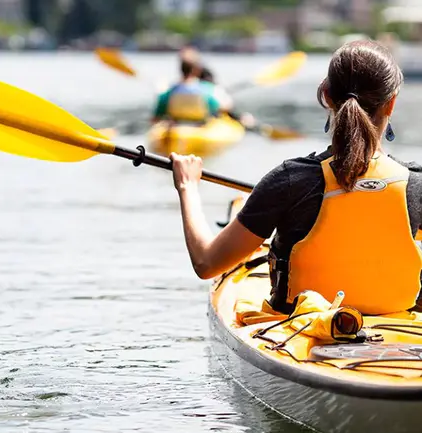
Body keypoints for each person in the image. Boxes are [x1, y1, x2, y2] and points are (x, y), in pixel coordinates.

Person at [169, 39, 422, 316]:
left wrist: (188, 186)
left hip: (298, 328)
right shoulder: (416, 185)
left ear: (326, 95)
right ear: (391, 104)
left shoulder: (290, 180)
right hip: (397, 336)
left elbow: (206, 263)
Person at [151, 51, 220, 124]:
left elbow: (159, 111)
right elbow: (215, 106)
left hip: (176, 125)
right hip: (199, 124)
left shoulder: (172, 90)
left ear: (181, 70)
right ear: (197, 71)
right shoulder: (206, 88)